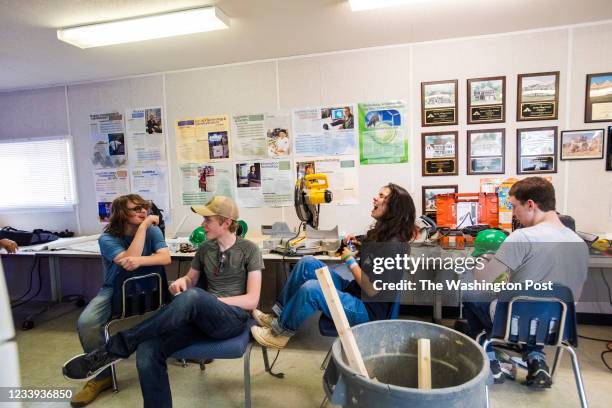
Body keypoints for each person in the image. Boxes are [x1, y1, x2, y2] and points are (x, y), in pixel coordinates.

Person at [63, 196, 263, 408]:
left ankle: (115, 348)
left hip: (231, 319)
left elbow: (252, 300)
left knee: (195, 297)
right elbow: (190, 280)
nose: (202, 225)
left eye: (208, 220)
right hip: (201, 318)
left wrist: (211, 299)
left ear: (225, 222)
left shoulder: (249, 250)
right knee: (148, 351)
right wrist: (181, 282)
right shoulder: (205, 248)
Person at [250, 183, 416, 349]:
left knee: (312, 289)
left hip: (367, 311)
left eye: (382, 197)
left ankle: (279, 334)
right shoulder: (384, 235)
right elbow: (372, 253)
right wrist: (357, 243)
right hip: (354, 291)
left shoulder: (393, 247)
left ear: (393, 209)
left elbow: (372, 289)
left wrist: (350, 261)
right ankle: (278, 317)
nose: (375, 198)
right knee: (307, 264)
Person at [463, 177, 588, 388]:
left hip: (514, 326)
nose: (513, 214)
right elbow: (572, 295)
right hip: (558, 329)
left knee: (470, 295)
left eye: (514, 206)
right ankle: (536, 359)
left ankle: (490, 361)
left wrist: (484, 259)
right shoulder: (579, 243)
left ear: (530, 204)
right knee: (535, 310)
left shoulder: (521, 237)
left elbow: (482, 281)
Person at [70, 194, 170, 407]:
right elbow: (126, 262)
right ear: (122, 214)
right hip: (115, 288)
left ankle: (182, 351)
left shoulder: (153, 231)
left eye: (144, 208)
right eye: (136, 209)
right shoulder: (107, 238)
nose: (143, 212)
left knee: (180, 306)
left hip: (149, 286)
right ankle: (100, 376)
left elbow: (165, 258)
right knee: (86, 323)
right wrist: (143, 228)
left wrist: (140, 258)